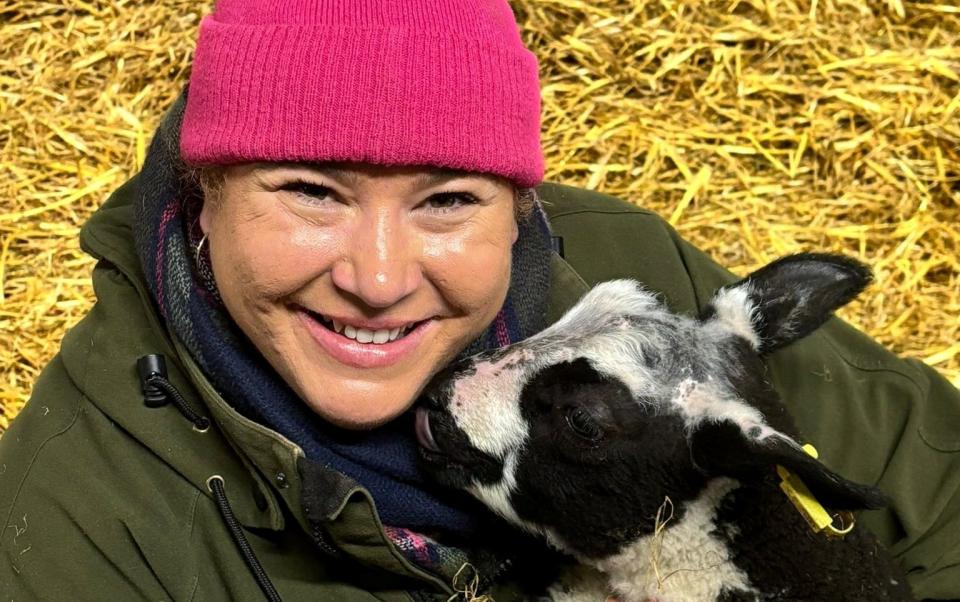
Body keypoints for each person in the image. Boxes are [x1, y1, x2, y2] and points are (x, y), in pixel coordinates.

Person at [1, 0, 958, 600]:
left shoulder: (639, 293)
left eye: (448, 200)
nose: (378, 281)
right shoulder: (76, 521)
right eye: (309, 191)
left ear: (519, 206)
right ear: (202, 196)